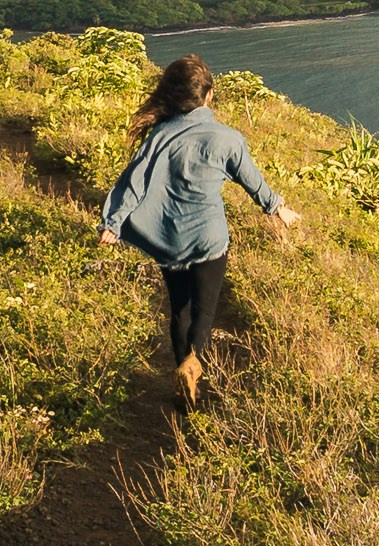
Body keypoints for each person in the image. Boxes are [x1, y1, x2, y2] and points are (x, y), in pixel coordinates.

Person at [97, 55, 293, 403]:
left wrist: (113, 224)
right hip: (209, 239)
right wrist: (279, 208)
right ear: (209, 96)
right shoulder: (228, 138)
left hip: (170, 241)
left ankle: (180, 377)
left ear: (171, 96)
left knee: (180, 311)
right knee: (204, 312)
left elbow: (133, 184)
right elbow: (254, 183)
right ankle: (193, 366)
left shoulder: (158, 137)